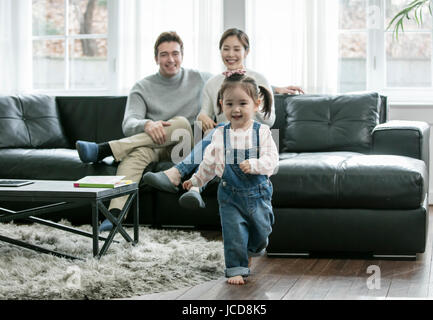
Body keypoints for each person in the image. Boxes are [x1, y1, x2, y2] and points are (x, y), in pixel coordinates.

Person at [143, 28, 302, 209]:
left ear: (246, 52)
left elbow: (269, 121)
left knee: (224, 130)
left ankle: (177, 174)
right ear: (220, 51)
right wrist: (202, 116)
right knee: (219, 137)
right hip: (223, 143)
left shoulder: (259, 80)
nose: (231, 54)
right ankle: (194, 190)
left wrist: (251, 108)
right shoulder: (212, 84)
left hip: (254, 142)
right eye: (226, 49)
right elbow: (204, 113)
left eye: (236, 49)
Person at [75, 31, 211, 231]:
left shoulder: (201, 79)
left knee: (181, 123)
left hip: (186, 148)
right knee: (135, 154)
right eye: (164, 54)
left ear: (182, 55)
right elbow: (129, 122)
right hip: (156, 144)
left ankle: (105, 149)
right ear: (156, 58)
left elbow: (233, 83)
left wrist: (268, 88)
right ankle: (115, 216)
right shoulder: (142, 86)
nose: (170, 59)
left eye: (175, 53)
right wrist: (147, 124)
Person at [182, 72, 279, 285]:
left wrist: (254, 165)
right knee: (233, 233)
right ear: (221, 105)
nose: (236, 109)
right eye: (230, 103)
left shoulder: (262, 132)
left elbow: (272, 160)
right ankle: (235, 268)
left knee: (261, 233)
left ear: (256, 104)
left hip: (258, 195)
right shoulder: (219, 134)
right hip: (229, 197)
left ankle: (254, 248)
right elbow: (209, 162)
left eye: (243, 103)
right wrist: (197, 180)